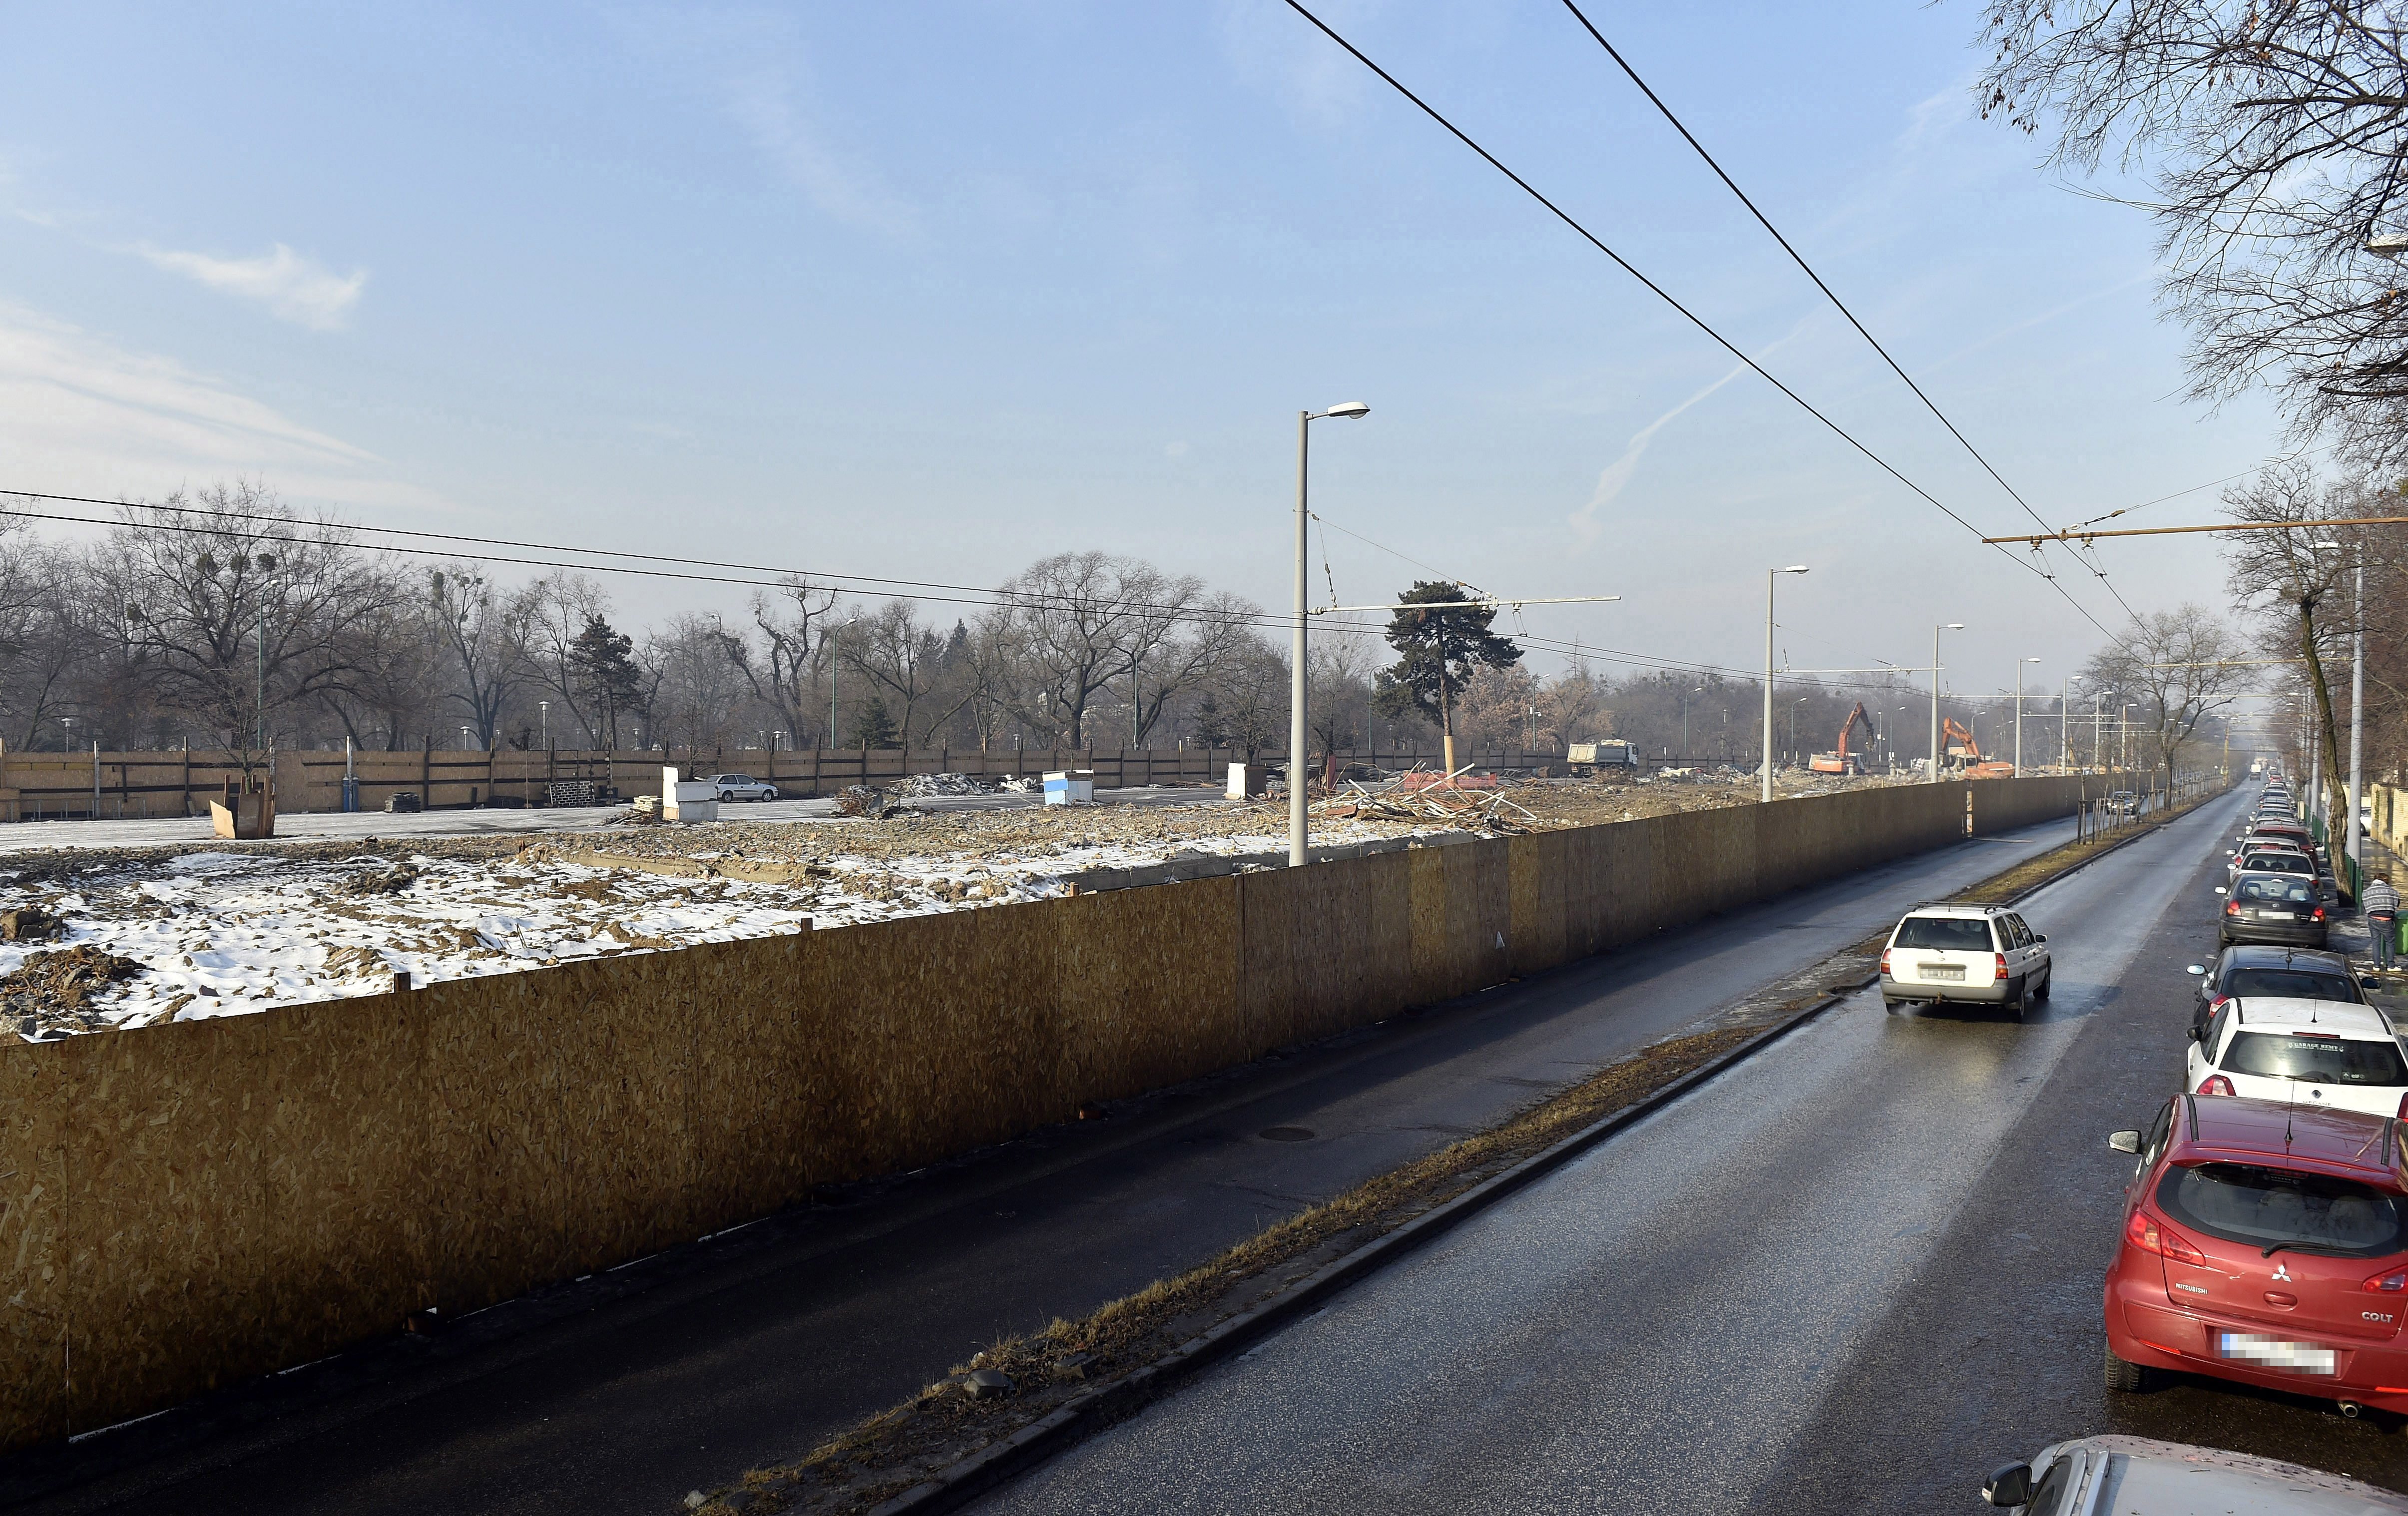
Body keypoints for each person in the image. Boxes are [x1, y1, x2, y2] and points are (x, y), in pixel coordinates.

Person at [2365, 871, 2401, 972]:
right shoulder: (2391, 891)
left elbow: (2366, 904)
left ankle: (2376, 966)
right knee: (2390, 942)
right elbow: (2397, 903)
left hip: (2372, 919)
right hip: (2386, 919)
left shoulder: (2368, 891)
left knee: (2376, 943)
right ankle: (2391, 965)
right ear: (2386, 881)